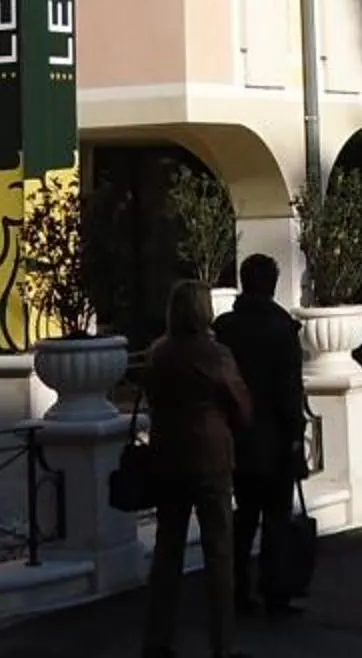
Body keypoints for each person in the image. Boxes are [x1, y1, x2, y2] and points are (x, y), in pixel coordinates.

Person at [138, 280, 252, 658]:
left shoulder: (158, 353)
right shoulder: (215, 355)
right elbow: (240, 405)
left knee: (167, 549)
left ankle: (157, 638)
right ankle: (223, 643)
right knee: (219, 551)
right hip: (210, 457)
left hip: (168, 456)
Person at [212, 252, 309, 617]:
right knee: (275, 519)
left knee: (244, 516)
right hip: (274, 437)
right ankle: (274, 591)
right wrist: (295, 433)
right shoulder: (281, 329)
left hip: (236, 433)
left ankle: (236, 589)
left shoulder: (226, 328)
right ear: (272, 285)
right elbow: (289, 390)